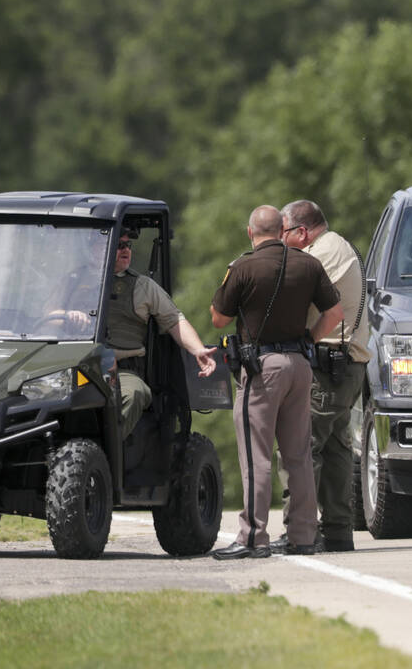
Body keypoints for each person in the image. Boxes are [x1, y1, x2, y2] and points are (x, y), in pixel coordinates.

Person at [210, 205, 343, 559]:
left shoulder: (242, 267)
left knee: (257, 457)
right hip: (300, 365)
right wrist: (309, 341)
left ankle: (253, 537)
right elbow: (335, 313)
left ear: (250, 232)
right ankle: (302, 536)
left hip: (261, 369)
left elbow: (219, 319)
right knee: (298, 454)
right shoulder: (308, 264)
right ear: (283, 228)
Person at [271, 200, 371, 554]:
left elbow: (287, 299)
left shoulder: (318, 256)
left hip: (327, 366)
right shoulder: (339, 246)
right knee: (335, 449)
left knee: (300, 447)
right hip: (347, 365)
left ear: (301, 231)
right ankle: (338, 530)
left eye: (282, 233)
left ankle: (300, 531)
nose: (279, 241)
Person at [55, 231, 217, 440]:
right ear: (96, 248)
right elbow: (47, 318)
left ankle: (105, 453)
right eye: (119, 244)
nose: (126, 250)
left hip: (122, 372)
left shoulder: (143, 286)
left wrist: (198, 350)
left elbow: (174, 320)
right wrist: (67, 316)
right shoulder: (73, 281)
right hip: (75, 368)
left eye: (128, 245)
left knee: (135, 394)